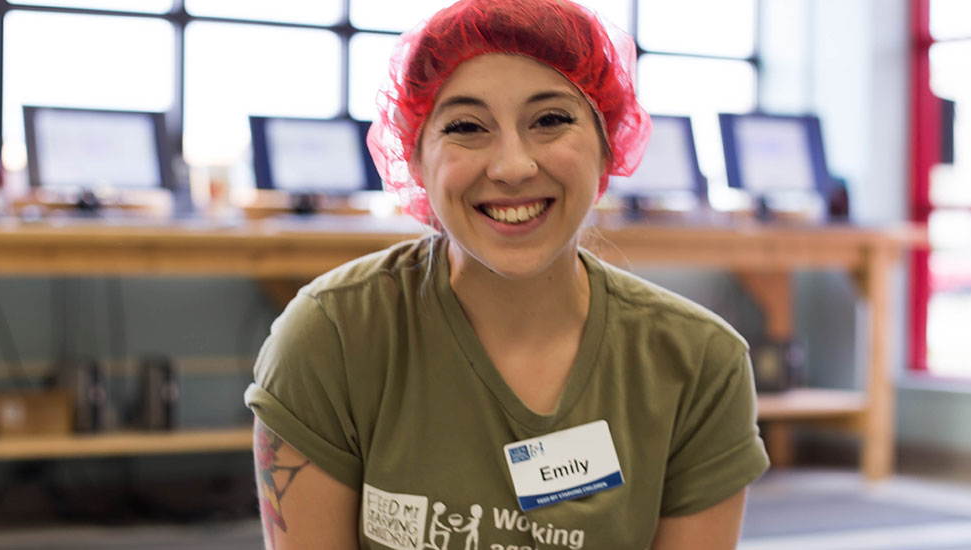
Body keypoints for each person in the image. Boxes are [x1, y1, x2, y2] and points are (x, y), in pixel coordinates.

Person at [245, 0, 769, 548]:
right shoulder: (333, 338)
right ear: (416, 157)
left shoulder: (700, 366)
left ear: (608, 140)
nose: (513, 166)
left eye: (550, 119)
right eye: (467, 126)